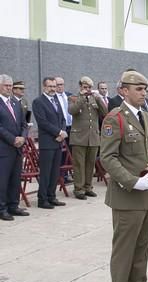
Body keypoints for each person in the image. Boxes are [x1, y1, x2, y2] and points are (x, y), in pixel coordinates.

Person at [100, 70, 148, 282]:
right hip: (128, 196)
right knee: (124, 250)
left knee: (142, 248)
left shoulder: (144, 115)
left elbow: (144, 153)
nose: (143, 93)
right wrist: (132, 181)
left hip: (147, 194)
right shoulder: (115, 119)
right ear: (123, 91)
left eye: (145, 89)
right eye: (138, 88)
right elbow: (108, 157)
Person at [68, 76, 107, 200]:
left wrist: (99, 98)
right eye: (85, 87)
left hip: (93, 136)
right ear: (80, 87)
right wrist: (81, 97)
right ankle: (79, 189)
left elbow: (105, 112)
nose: (87, 89)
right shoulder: (74, 98)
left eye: (89, 87)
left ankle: (88, 187)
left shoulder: (94, 98)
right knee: (79, 164)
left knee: (90, 163)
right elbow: (72, 111)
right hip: (79, 136)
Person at [32, 76, 68, 209]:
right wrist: (59, 132)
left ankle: (51, 196)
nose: (53, 89)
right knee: (46, 172)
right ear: (44, 87)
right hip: (47, 142)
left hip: (58, 142)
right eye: (50, 86)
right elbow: (42, 122)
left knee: (55, 172)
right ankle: (43, 199)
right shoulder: (38, 102)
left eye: (54, 86)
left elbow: (63, 118)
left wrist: (63, 132)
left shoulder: (56, 100)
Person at [0, 74, 28, 221]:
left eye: (10, 85)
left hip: (17, 148)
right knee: (3, 180)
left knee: (15, 179)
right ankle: (2, 208)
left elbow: (24, 123)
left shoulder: (16, 103)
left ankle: (13, 205)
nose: (9, 88)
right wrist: (13, 139)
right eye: (6, 85)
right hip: (4, 148)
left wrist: (23, 137)